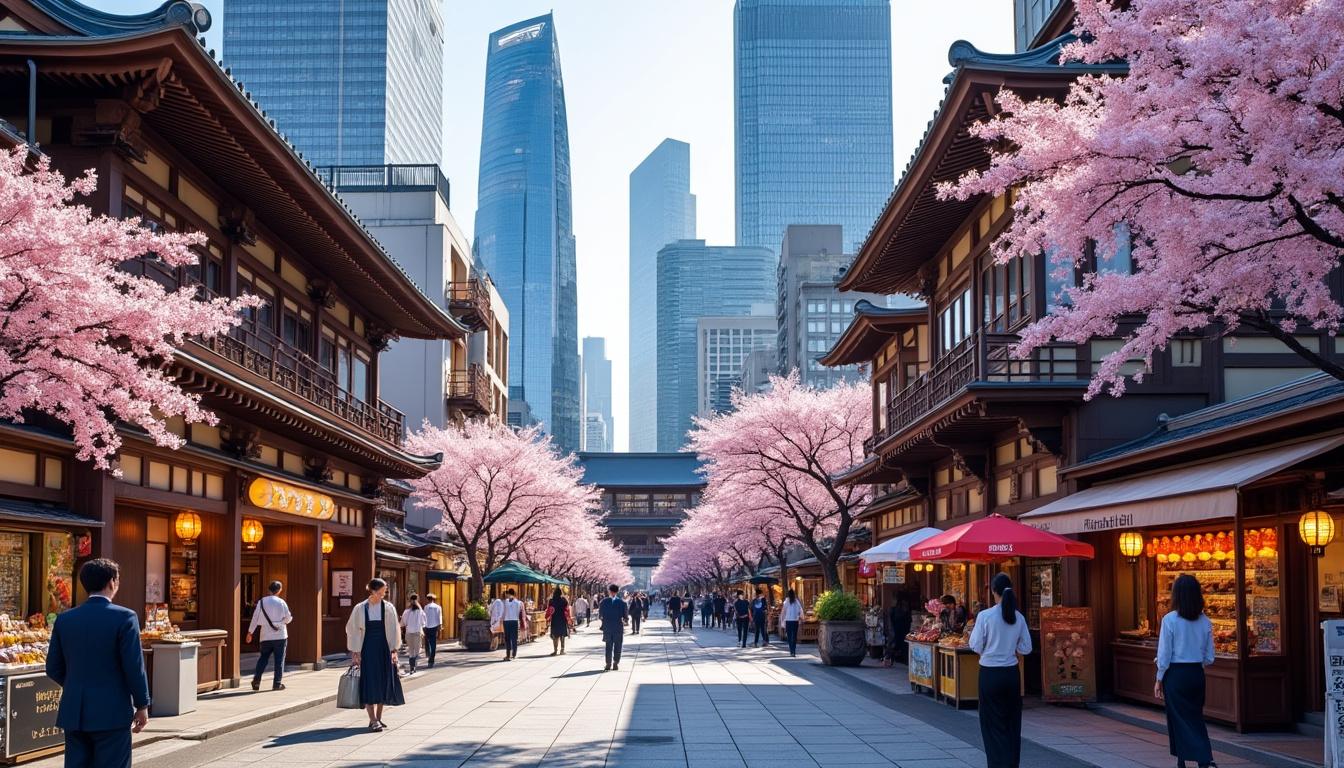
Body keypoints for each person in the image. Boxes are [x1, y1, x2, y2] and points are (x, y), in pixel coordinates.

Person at [46, 558, 149, 768]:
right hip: (112, 710)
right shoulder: (125, 618)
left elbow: (53, 667)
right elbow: (133, 667)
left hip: (74, 710)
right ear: (112, 582)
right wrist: (142, 704)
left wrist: (76, 684)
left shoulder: (65, 619)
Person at [969, 573, 1031, 768]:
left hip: (990, 674)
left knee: (991, 722)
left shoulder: (985, 616)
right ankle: (1012, 763)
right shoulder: (1018, 617)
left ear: (993, 591)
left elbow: (975, 645)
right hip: (1011, 674)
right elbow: (1026, 648)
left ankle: (996, 763)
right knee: (1012, 721)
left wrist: (990, 647)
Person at [1156, 574, 1217, 768]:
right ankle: (1200, 760)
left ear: (1177, 595)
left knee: (1177, 718)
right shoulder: (1205, 621)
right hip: (1196, 674)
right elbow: (1209, 657)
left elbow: (1164, 654)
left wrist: (1159, 678)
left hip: (1176, 674)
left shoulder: (1170, 620)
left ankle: (1198, 759)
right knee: (1195, 717)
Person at [345, 577, 404, 732]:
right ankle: (372, 719)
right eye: (383, 589)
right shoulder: (360, 608)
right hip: (367, 648)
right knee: (369, 682)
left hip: (384, 648)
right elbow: (352, 629)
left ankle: (378, 717)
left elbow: (394, 629)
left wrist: (394, 650)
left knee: (384, 680)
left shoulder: (388, 607)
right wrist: (355, 651)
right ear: (373, 590)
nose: (385, 592)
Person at [246, 579, 292, 691]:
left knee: (263, 658)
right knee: (279, 660)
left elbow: (255, 618)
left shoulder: (262, 602)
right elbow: (288, 618)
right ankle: (277, 684)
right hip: (280, 635)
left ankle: (256, 681)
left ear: (269, 589)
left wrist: (250, 632)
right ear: (279, 590)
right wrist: (280, 623)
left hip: (265, 635)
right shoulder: (281, 602)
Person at [598, 584, 628, 671]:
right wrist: (625, 620)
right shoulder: (622, 603)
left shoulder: (603, 602)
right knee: (618, 646)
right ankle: (615, 663)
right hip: (618, 627)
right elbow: (625, 617)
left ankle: (608, 663)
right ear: (617, 591)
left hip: (607, 627)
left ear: (609, 591)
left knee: (608, 646)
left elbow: (600, 616)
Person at [399, 594, 426, 674]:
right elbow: (424, 622)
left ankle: (411, 667)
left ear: (409, 600)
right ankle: (414, 666)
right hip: (417, 632)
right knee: (417, 651)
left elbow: (403, 622)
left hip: (409, 632)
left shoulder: (407, 611)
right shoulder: (420, 611)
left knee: (411, 650)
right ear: (417, 600)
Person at [499, 588, 527, 661]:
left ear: (508, 594)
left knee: (507, 639)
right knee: (514, 638)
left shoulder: (504, 602)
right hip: (515, 621)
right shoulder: (519, 603)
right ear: (515, 594)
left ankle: (508, 655)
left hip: (507, 621)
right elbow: (522, 614)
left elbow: (501, 611)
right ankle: (514, 654)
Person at [885, 596, 912, 666]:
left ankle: (891, 659)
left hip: (899, 631)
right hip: (897, 631)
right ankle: (890, 659)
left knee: (895, 644)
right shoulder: (894, 610)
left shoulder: (896, 610)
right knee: (894, 644)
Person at [779, 588, 804, 657]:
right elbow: (801, 610)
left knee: (789, 637)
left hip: (788, 621)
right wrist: (801, 618)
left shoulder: (786, 601)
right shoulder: (796, 601)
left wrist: (782, 620)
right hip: (795, 621)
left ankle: (791, 651)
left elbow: (783, 612)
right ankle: (794, 651)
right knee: (795, 636)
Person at [547, 587, 571, 655]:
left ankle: (555, 651)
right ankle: (562, 650)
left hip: (554, 620)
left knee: (555, 635)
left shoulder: (551, 601)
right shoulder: (563, 600)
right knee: (562, 635)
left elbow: (549, 610)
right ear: (561, 593)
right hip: (562, 619)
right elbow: (567, 609)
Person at [422, 593, 443, 668]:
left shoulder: (426, 607)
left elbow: (424, 617)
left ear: (427, 599)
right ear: (433, 599)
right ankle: (431, 660)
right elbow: (439, 617)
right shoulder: (438, 607)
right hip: (435, 627)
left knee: (428, 642)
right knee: (433, 643)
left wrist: (423, 627)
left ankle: (429, 655)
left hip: (427, 627)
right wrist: (440, 627)